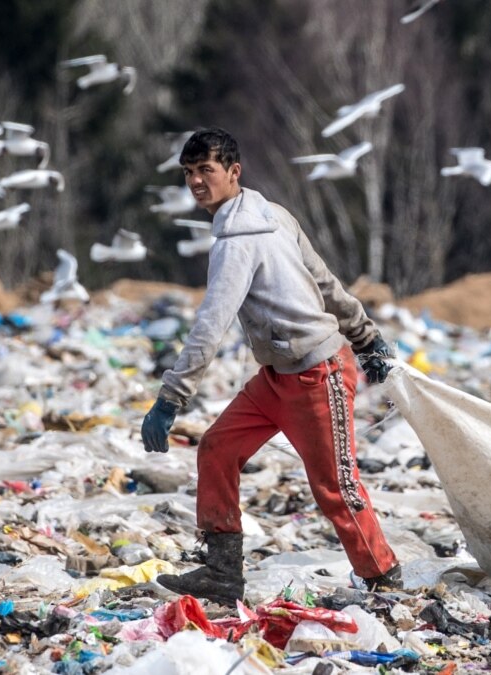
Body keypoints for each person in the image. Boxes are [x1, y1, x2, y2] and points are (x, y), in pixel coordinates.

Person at [141, 127, 400, 606]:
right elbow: (324, 280)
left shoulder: (239, 240)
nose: (197, 182)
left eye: (207, 171)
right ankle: (222, 571)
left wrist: (170, 397)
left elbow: (212, 324)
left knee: (335, 487)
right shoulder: (272, 214)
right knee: (217, 449)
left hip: (316, 373)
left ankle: (384, 578)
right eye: (189, 173)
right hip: (276, 378)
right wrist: (366, 335)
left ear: (234, 173)